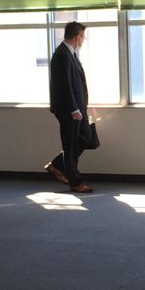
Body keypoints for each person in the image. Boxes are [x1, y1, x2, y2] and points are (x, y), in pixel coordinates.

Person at [45, 21, 95, 194]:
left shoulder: (70, 53)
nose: (83, 40)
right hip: (69, 110)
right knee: (71, 145)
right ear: (77, 36)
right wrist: (74, 109)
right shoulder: (62, 55)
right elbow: (64, 85)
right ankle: (75, 182)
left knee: (86, 138)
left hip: (78, 108)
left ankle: (56, 165)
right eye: (83, 36)